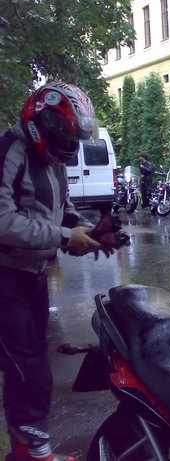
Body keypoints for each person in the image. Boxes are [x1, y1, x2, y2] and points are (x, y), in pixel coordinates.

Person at [0, 82, 110, 461]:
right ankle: (33, 451)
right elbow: (3, 221)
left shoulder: (53, 162)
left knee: (31, 365)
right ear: (41, 123)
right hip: (5, 277)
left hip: (32, 276)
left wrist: (90, 230)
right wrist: (65, 237)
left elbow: (62, 208)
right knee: (28, 369)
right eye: (64, 135)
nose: (69, 144)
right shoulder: (9, 152)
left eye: (74, 137)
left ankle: (26, 450)